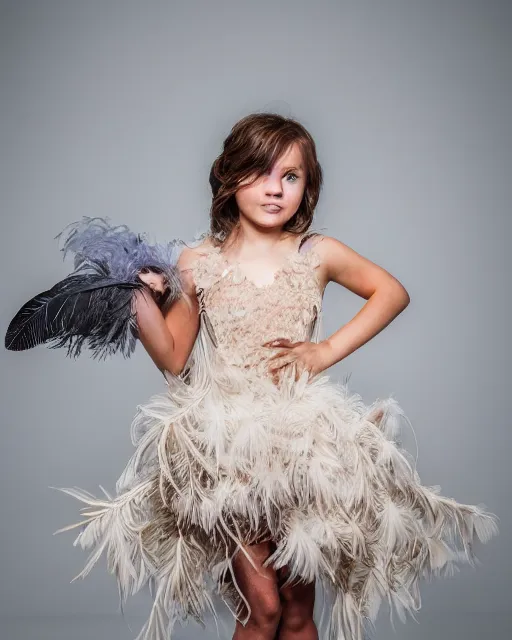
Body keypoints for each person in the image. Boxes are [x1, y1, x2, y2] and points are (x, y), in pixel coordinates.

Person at [5, 113, 499, 640]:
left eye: (291, 176)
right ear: (228, 176)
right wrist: (139, 297)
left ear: (308, 188)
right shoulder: (199, 261)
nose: (274, 188)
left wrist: (325, 350)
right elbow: (173, 358)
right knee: (259, 606)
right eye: (260, 172)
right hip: (230, 452)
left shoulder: (317, 253)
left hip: (304, 446)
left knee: (294, 609)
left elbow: (391, 292)